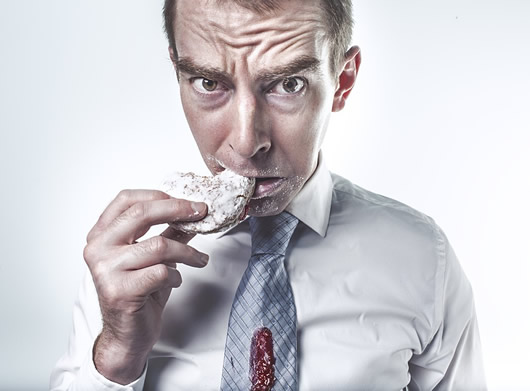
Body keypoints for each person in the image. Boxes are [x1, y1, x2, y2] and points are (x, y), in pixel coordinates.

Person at [50, 0, 487, 389]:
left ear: (343, 81)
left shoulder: (424, 259)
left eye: (288, 84)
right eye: (207, 82)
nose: (245, 141)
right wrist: (114, 361)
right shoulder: (128, 256)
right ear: (178, 72)